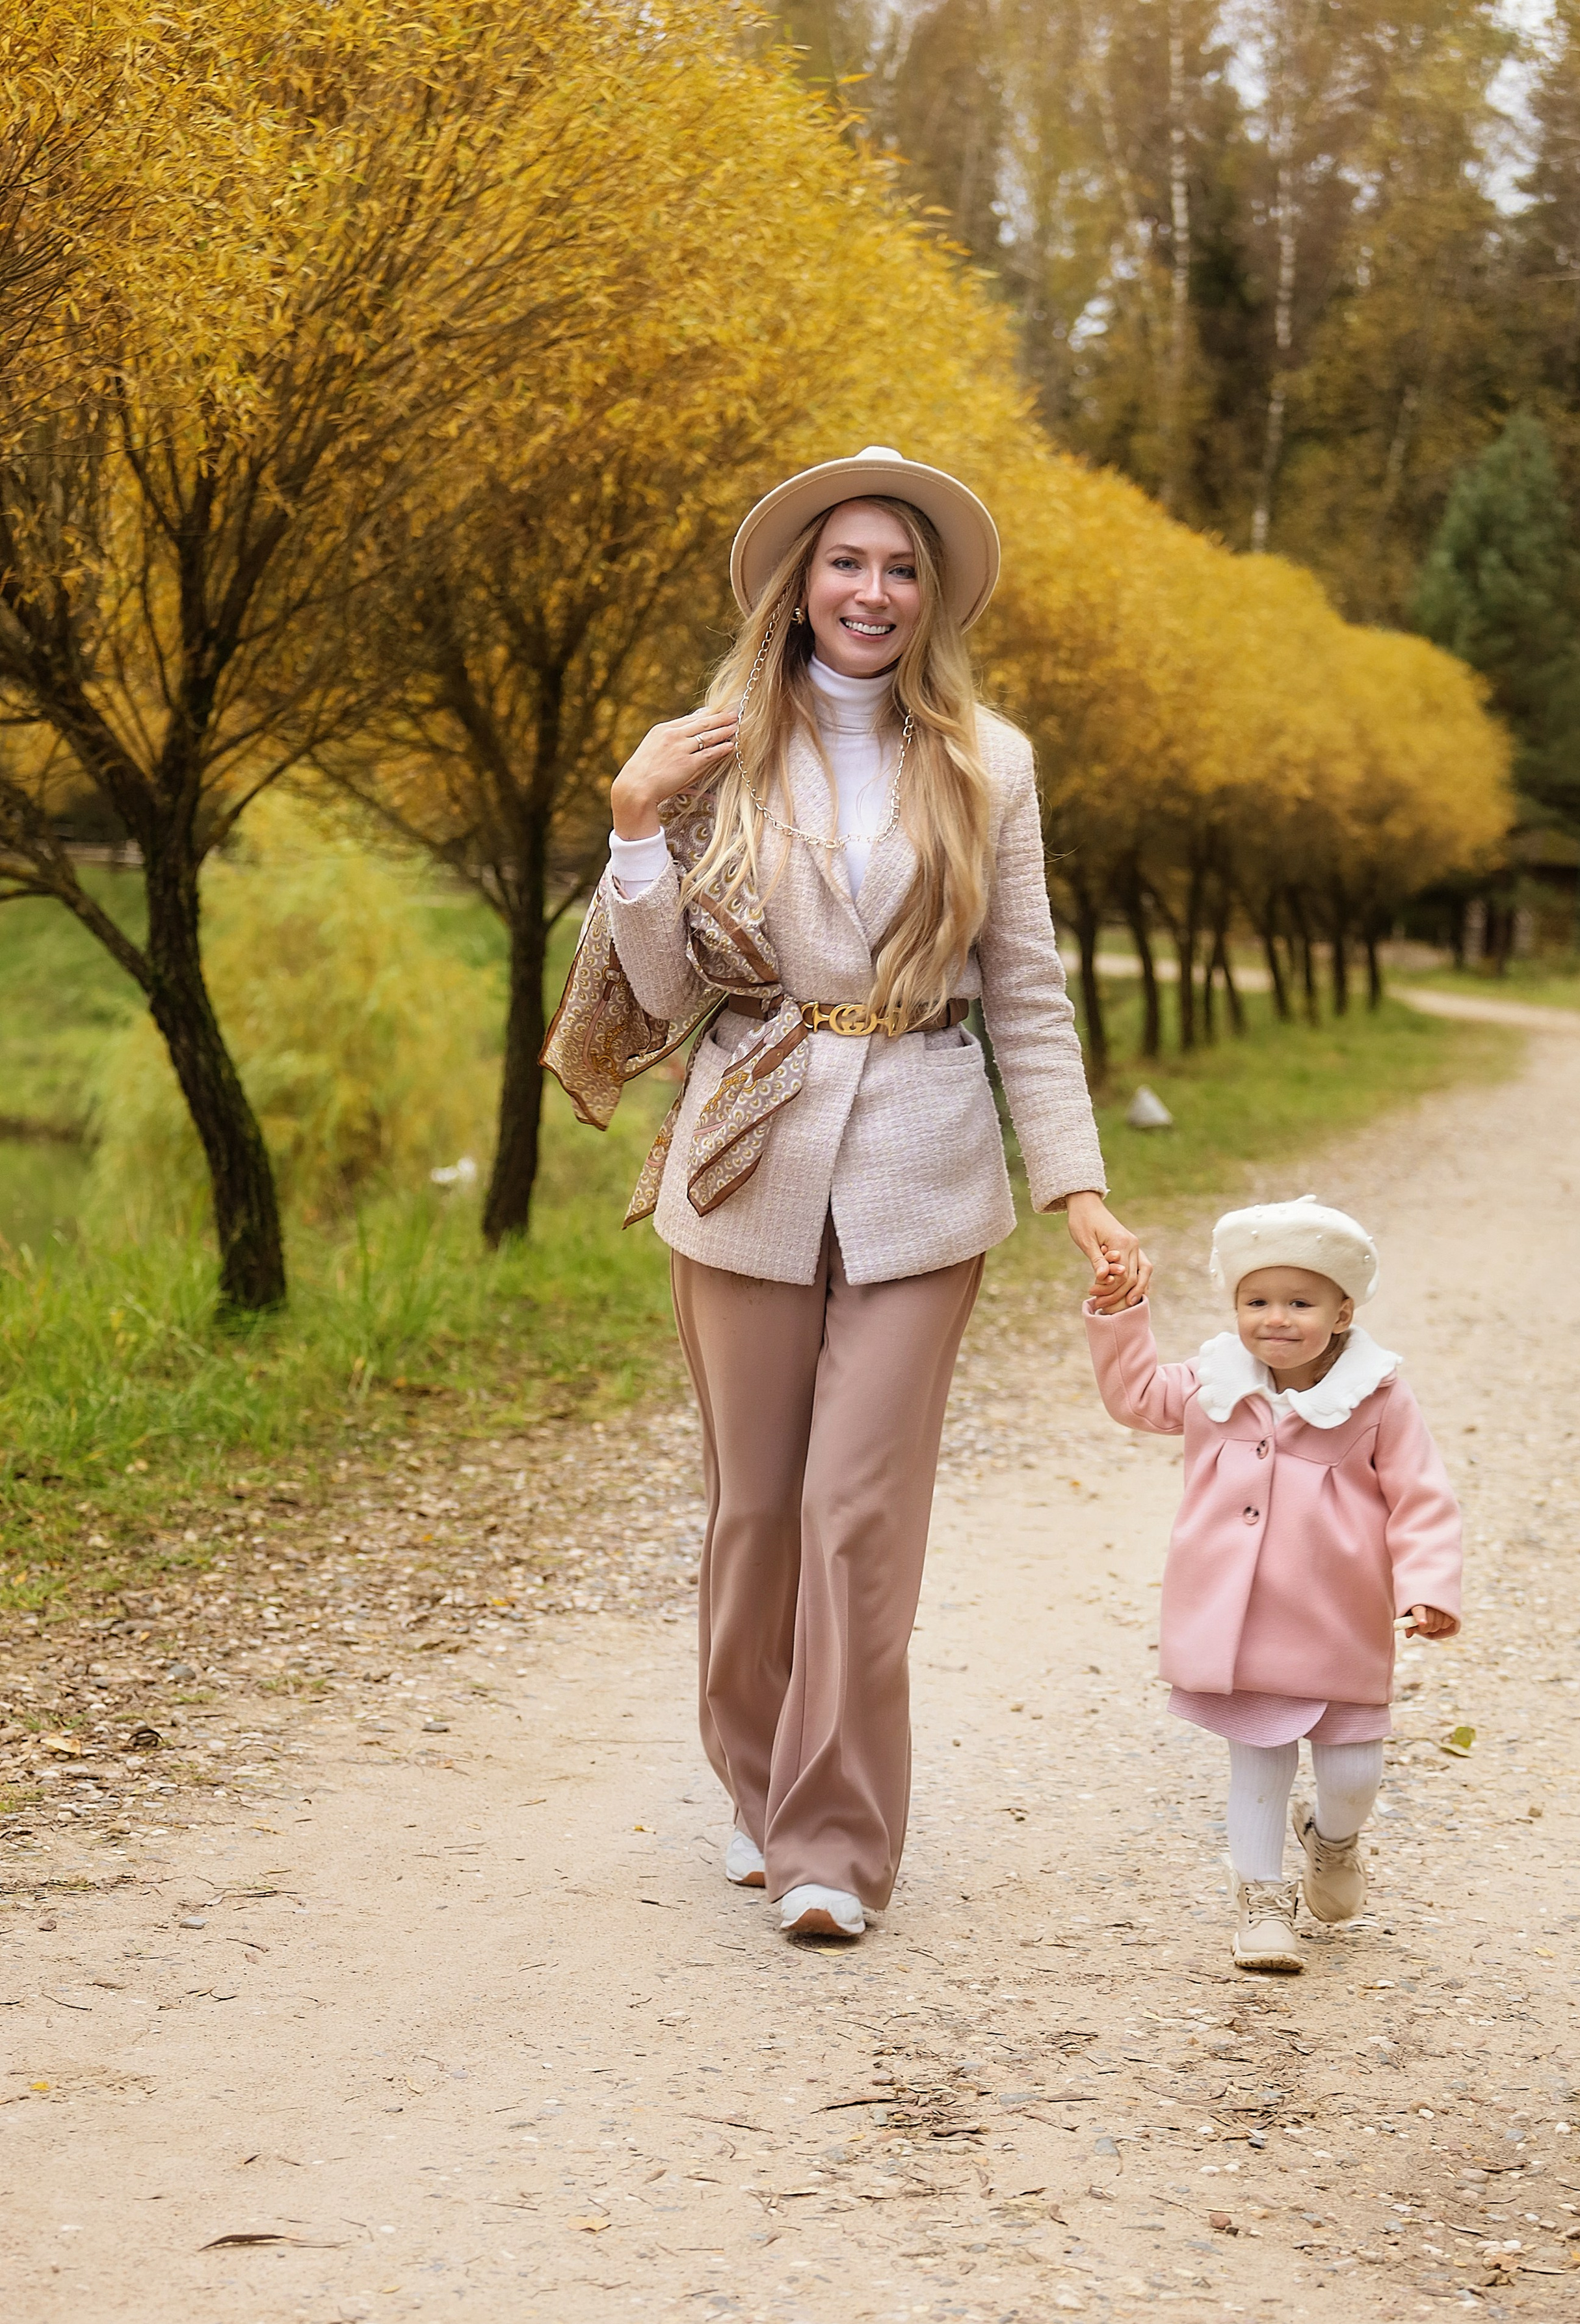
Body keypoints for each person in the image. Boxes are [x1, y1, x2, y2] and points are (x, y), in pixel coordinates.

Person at [544, 445, 1147, 1940]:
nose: (871, 591)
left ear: (925, 594)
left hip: (924, 1167)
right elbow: (672, 988)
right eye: (846, 563)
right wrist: (631, 826)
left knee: (855, 1509)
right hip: (744, 1151)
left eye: (897, 567)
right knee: (755, 1506)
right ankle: (754, 1786)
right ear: (798, 585)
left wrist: (1071, 1182)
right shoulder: (715, 749)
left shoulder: (988, 762)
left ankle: (831, 1843)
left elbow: (1025, 986)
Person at [1083, 1195, 1461, 1973]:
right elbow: (1135, 1398)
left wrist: (1426, 1584)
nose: (1275, 1319)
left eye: (1299, 1302)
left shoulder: (1377, 1394)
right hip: (1241, 1624)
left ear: (1342, 1309)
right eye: (1256, 1301)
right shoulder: (1215, 1380)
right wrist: (1122, 1314)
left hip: (1340, 1618)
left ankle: (1333, 1838)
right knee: (1258, 1761)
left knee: (1353, 1774)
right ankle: (1260, 1903)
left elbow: (1420, 1496)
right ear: (1234, 1305)